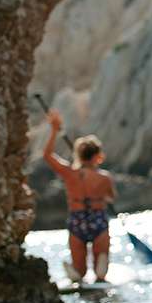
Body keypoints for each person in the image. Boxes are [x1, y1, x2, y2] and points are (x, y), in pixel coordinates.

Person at [44, 109, 116, 283]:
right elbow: (110, 197)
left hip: (77, 220)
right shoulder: (104, 177)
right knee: (101, 262)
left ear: (78, 155)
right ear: (98, 157)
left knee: (81, 271)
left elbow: (47, 155)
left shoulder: (69, 173)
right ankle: (101, 265)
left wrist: (54, 131)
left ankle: (77, 271)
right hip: (98, 219)